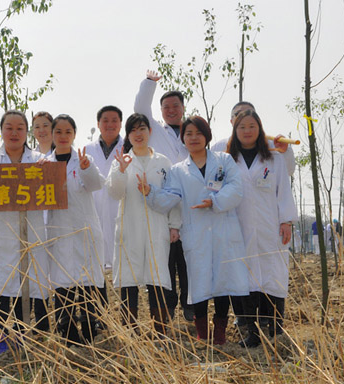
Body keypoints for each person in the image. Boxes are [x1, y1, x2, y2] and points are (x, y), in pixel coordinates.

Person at [146, 116, 249, 345]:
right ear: (183, 139)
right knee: (198, 284)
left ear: (207, 136)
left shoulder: (224, 160)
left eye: (198, 133)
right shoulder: (178, 170)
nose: (193, 138)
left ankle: (220, 332)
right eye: (188, 134)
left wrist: (215, 201)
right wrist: (149, 192)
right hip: (196, 233)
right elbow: (170, 197)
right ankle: (202, 332)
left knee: (223, 283)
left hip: (223, 230)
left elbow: (236, 188)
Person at [0, 110, 50, 353]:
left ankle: (20, 336)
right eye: (9, 128)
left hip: (28, 231)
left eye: (20, 128)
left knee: (23, 285)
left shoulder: (39, 159)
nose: (14, 133)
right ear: (1, 131)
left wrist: (45, 171)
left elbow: (51, 188)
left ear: (27, 132)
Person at [225, 110, 297, 347]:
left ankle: (276, 331)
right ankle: (253, 334)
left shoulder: (274, 159)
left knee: (274, 276)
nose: (247, 131)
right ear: (235, 131)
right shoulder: (228, 161)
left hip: (270, 227)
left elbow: (283, 192)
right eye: (242, 127)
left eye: (252, 126)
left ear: (260, 129)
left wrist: (286, 221)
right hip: (240, 227)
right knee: (247, 280)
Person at [106, 113, 181, 336]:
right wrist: (121, 171)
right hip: (130, 227)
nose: (138, 134)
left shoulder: (163, 162)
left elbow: (173, 196)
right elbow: (114, 193)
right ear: (128, 135)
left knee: (157, 276)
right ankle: (130, 330)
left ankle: (160, 330)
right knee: (129, 277)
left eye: (142, 129)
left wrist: (174, 225)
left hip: (157, 226)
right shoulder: (121, 161)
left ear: (150, 131)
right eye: (133, 130)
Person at [134, 72, 193, 322]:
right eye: (166, 107)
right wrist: (149, 84)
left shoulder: (192, 132)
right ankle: (166, 307)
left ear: (183, 108)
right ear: (160, 111)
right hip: (162, 201)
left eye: (175, 106)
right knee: (165, 259)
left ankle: (190, 306)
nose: (171, 110)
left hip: (190, 205)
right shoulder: (157, 131)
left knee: (189, 259)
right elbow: (140, 107)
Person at [46, 114, 105, 345]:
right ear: (52, 134)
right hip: (59, 231)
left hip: (84, 230)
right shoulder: (44, 163)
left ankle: (90, 331)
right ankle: (68, 333)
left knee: (87, 284)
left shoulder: (84, 159)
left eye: (68, 132)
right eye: (58, 132)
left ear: (74, 134)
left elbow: (96, 185)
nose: (63, 136)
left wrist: (86, 169)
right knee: (63, 284)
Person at [85, 106, 124, 326]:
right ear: (98, 124)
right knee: (95, 266)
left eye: (114, 120)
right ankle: (100, 314)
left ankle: (127, 315)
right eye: (105, 120)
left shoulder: (127, 147)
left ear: (120, 123)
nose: (110, 124)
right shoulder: (87, 150)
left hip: (120, 210)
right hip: (94, 211)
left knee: (124, 266)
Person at [210, 101, 296, 176]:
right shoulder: (218, 148)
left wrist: (284, 152)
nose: (244, 117)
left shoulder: (274, 145)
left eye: (249, 113)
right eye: (239, 114)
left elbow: (288, 172)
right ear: (231, 121)